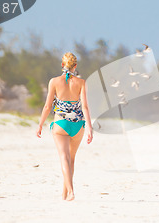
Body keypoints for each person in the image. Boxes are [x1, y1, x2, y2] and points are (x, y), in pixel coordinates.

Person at [36, 52, 93, 201]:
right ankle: (64, 194)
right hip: (78, 126)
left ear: (62, 65)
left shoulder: (54, 81)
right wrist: (90, 128)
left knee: (64, 157)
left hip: (60, 124)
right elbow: (85, 107)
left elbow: (48, 106)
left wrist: (40, 124)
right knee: (71, 159)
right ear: (75, 66)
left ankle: (71, 191)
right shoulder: (81, 82)